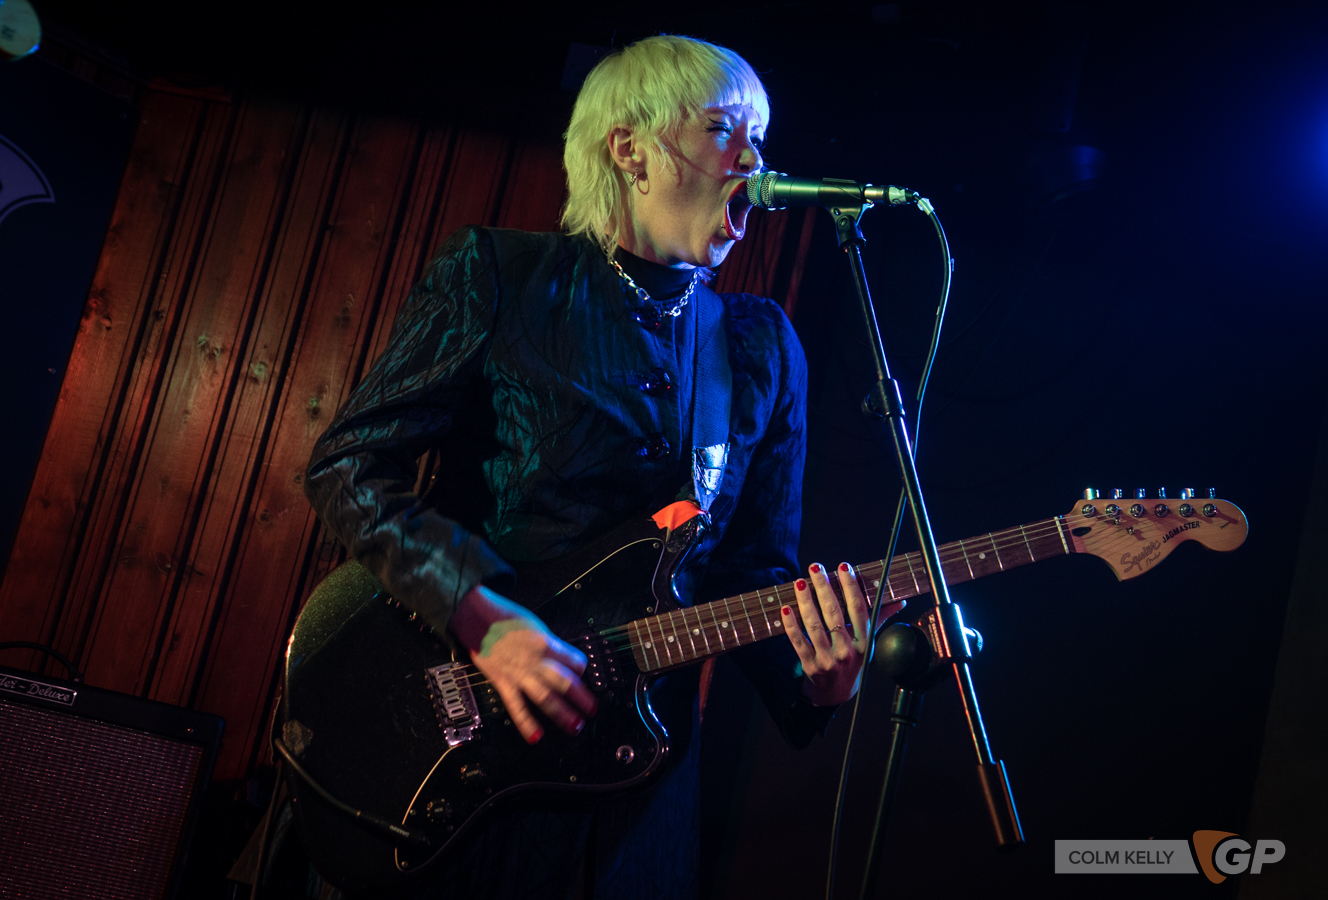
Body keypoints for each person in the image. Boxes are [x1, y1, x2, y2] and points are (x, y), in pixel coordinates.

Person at [304, 34, 895, 900]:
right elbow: (350, 464)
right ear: (632, 150)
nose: (756, 159)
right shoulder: (502, 277)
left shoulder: (760, 347)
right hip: (465, 750)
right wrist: (483, 617)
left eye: (760, 137)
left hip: (637, 788)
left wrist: (823, 678)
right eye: (727, 128)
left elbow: (752, 568)